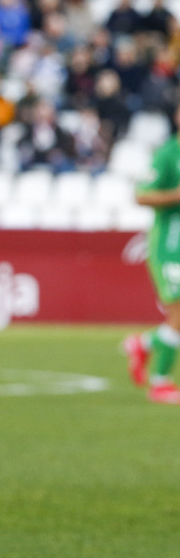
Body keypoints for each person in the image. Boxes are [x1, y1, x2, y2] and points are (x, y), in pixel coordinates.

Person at [124, 103, 180, 405]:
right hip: (170, 247)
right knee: (179, 314)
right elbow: (141, 194)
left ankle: (142, 344)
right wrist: (176, 195)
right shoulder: (168, 155)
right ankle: (160, 383)